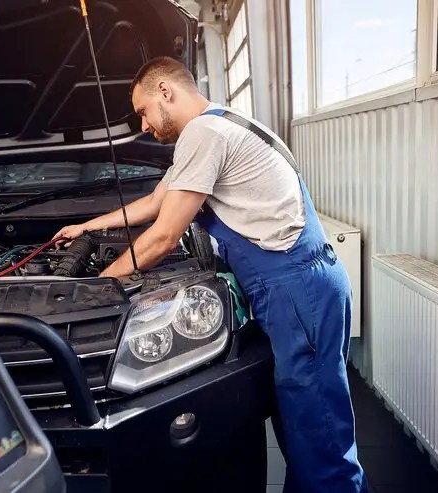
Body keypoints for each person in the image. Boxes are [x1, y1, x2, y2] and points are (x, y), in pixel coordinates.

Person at [52, 56, 369, 493]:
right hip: (296, 285)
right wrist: (88, 227)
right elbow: (154, 203)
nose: (143, 126)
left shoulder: (204, 133)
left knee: (319, 424)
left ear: (166, 91)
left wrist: (96, 290)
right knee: (298, 413)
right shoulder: (220, 123)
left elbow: (163, 236)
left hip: (297, 287)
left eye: (142, 110)